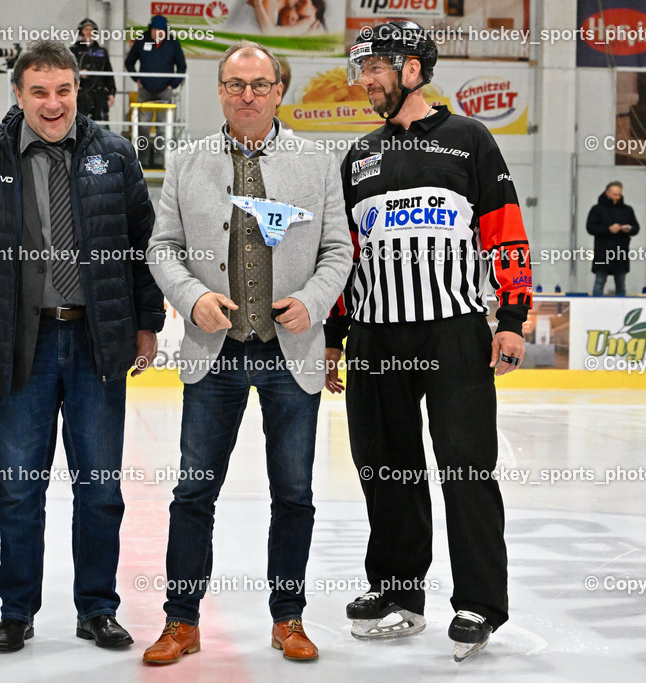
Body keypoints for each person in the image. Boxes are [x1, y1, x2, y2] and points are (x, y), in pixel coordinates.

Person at [325, 21, 532, 662]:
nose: (365, 81)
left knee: (466, 467)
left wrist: (512, 317)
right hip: (375, 336)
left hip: (453, 332)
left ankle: (479, 602)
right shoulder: (357, 156)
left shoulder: (469, 138)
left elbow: (504, 229)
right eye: (361, 70)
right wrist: (334, 335)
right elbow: (344, 255)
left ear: (412, 69)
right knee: (386, 468)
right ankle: (396, 590)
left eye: (374, 68)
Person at [142, 40, 352, 665]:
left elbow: (338, 250)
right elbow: (162, 248)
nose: (248, 95)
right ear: (220, 91)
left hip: (291, 352)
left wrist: (313, 301)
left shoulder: (318, 162)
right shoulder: (186, 161)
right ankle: (181, 622)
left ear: (279, 91)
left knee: (293, 494)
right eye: (236, 84)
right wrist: (192, 297)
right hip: (216, 352)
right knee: (193, 494)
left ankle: (289, 619)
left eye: (261, 85)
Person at [0, 39, 164, 654]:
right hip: (20, 342)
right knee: (20, 490)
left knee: (100, 490)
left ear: (78, 91)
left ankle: (97, 608)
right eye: (40, 92)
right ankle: (16, 610)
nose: (54, 103)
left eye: (64, 90)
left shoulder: (114, 153)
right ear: (18, 95)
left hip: (98, 339)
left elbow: (144, 245)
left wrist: (147, 321)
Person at [124, 15, 187, 167]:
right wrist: (136, 79)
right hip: (145, 91)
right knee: (143, 127)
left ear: (165, 31)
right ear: (150, 29)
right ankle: (143, 161)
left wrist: (173, 85)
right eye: (155, 30)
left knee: (162, 128)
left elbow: (182, 66)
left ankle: (159, 161)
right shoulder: (142, 40)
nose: (158, 33)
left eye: (161, 31)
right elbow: (129, 62)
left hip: (165, 91)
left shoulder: (173, 43)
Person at [587, 181, 639, 297]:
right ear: (607, 193)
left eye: (619, 195)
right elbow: (590, 228)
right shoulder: (597, 209)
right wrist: (608, 229)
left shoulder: (627, 210)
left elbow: (636, 228)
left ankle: (621, 305)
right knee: (600, 280)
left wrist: (629, 229)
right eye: (615, 194)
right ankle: (596, 304)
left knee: (621, 283)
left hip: (621, 252)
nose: (617, 197)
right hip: (602, 252)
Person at [70, 18, 116, 124]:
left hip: (98, 93)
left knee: (102, 124)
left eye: (91, 30)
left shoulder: (102, 52)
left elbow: (108, 73)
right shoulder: (73, 51)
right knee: (79, 124)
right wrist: (79, 73)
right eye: (86, 29)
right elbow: (66, 71)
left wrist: (112, 92)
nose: (89, 32)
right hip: (80, 93)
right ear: (81, 31)